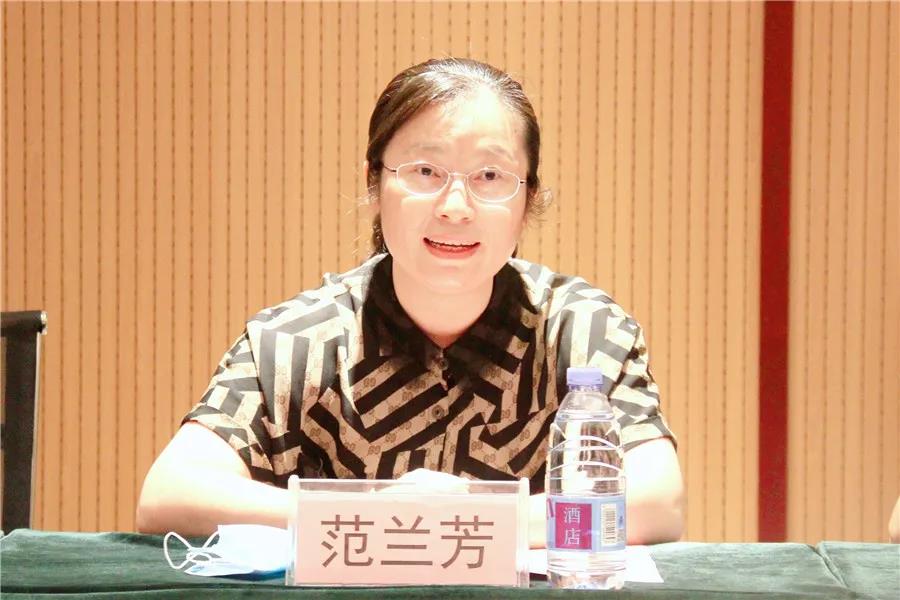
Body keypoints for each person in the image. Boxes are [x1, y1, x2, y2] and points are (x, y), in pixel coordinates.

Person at [136, 58, 684, 546]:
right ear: (374, 184)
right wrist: (378, 516)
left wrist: (477, 519)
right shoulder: (295, 341)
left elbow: (656, 503)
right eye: (425, 171)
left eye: (490, 176)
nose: (454, 206)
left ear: (529, 198)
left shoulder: (584, 332)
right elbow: (171, 495)